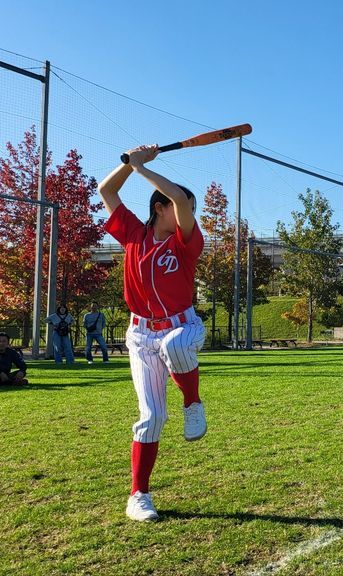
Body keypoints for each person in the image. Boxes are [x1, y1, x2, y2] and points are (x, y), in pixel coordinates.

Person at [100, 144, 207, 522]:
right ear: (158, 209)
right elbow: (107, 191)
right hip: (141, 337)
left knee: (177, 344)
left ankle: (193, 403)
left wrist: (143, 165)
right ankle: (139, 495)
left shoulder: (186, 242)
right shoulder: (132, 233)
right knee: (150, 418)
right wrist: (130, 164)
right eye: (181, 209)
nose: (187, 213)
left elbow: (176, 194)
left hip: (184, 326)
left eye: (189, 209)